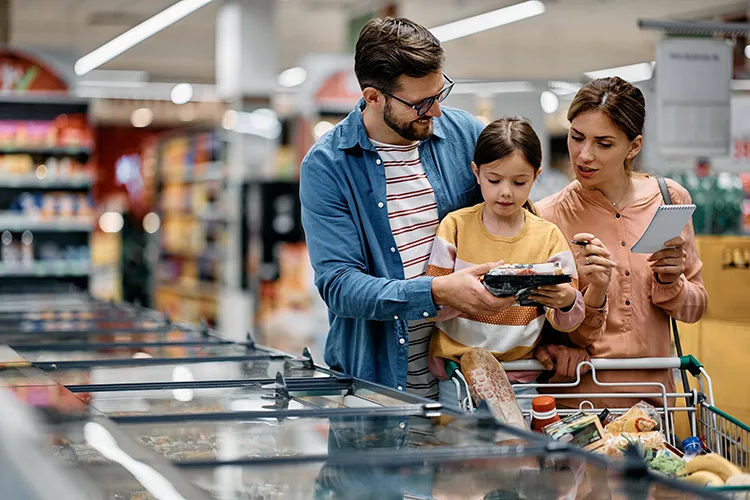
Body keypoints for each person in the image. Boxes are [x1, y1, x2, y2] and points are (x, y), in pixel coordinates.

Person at [299, 17, 514, 400]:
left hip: (469, 367)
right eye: (420, 103)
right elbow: (339, 286)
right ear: (373, 96)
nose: (435, 112)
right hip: (379, 377)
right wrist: (435, 292)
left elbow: (515, 221)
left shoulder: (466, 135)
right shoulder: (328, 166)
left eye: (440, 93)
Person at [534, 76, 708, 408]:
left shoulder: (669, 199)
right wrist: (553, 345)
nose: (584, 155)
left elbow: (697, 307)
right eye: (576, 137)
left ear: (634, 146)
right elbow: (539, 326)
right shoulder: (548, 216)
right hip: (580, 406)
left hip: (656, 405)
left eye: (604, 143)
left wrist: (673, 281)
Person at [424, 117, 585, 409]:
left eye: (519, 182)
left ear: (536, 176)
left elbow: (569, 317)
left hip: (519, 380)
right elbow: (432, 304)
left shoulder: (547, 236)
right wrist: (462, 297)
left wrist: (566, 301)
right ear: (476, 173)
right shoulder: (455, 227)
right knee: (458, 452)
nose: (506, 191)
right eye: (494, 180)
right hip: (458, 377)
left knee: (517, 454)